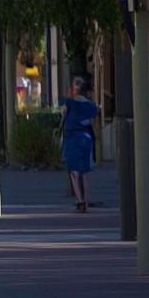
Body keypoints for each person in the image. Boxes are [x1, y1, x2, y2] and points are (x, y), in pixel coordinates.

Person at [61, 75, 98, 213]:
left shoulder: (69, 103)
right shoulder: (91, 106)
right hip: (86, 138)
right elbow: (94, 125)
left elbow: (63, 117)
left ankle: (80, 200)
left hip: (72, 137)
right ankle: (86, 201)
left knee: (74, 171)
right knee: (85, 171)